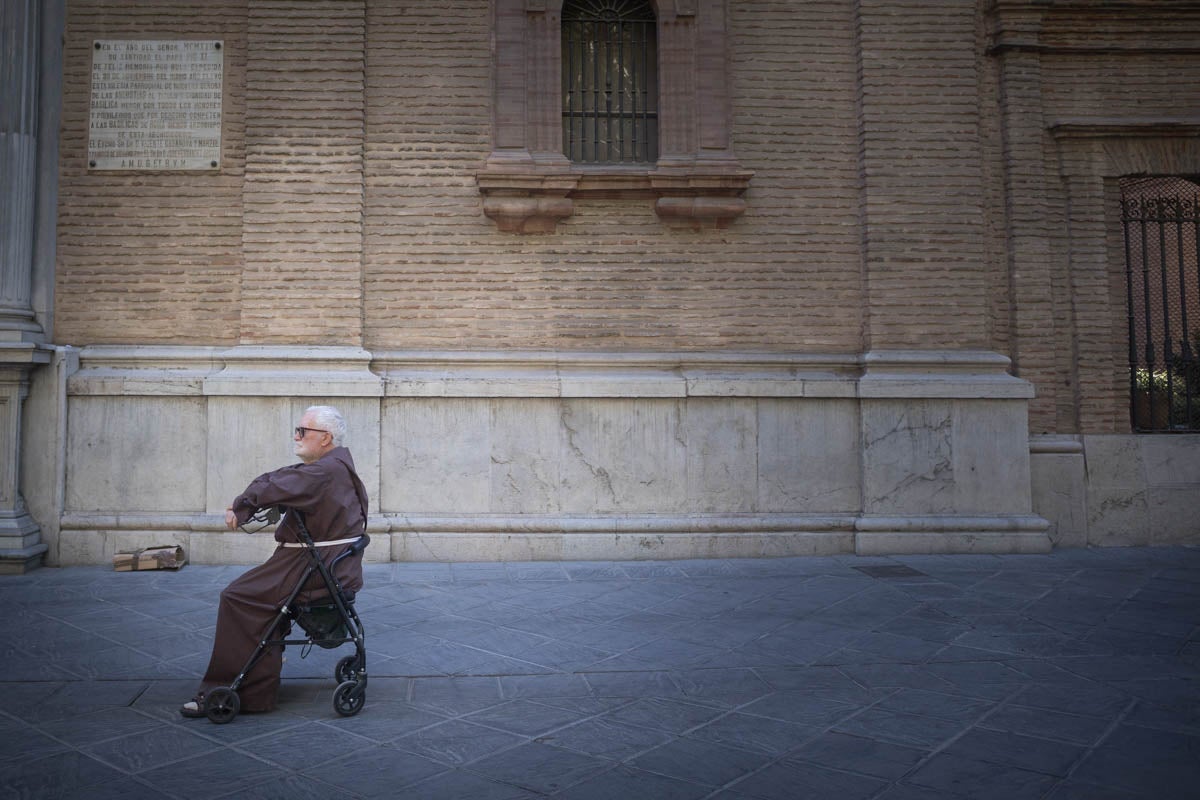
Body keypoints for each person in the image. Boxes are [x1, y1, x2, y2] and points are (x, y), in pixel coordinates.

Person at [181, 405, 368, 717]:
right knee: (254, 596)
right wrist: (249, 503)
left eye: (302, 431)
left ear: (325, 438)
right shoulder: (332, 467)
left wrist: (243, 505)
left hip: (310, 567)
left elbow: (279, 483)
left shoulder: (322, 472)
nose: (296, 436)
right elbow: (285, 479)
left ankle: (233, 689)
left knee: (238, 597)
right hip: (321, 562)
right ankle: (262, 670)